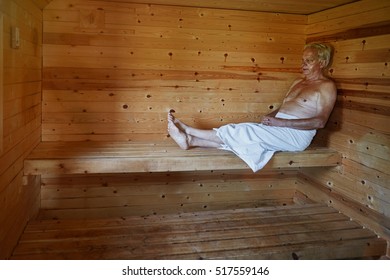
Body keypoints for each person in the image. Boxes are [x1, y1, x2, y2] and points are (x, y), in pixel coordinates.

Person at [167, 43, 337, 172]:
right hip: (279, 127)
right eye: (303, 60)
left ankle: (190, 131)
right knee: (248, 140)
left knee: (244, 131)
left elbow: (320, 122)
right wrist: (270, 117)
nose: (303, 64)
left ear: (321, 62)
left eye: (309, 61)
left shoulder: (326, 86)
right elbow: (284, 107)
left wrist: (281, 124)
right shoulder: (298, 82)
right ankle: (191, 141)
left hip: (296, 135)